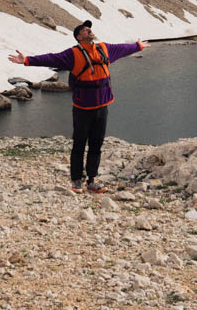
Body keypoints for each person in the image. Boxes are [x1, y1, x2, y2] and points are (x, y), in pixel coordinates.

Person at [9, 20, 149, 193]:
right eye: (84, 29)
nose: (89, 30)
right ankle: (76, 181)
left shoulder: (104, 48)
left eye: (89, 28)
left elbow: (123, 49)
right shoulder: (72, 54)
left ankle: (92, 180)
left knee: (96, 145)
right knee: (79, 145)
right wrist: (27, 60)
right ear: (78, 37)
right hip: (82, 108)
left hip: (102, 106)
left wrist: (138, 46)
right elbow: (51, 58)